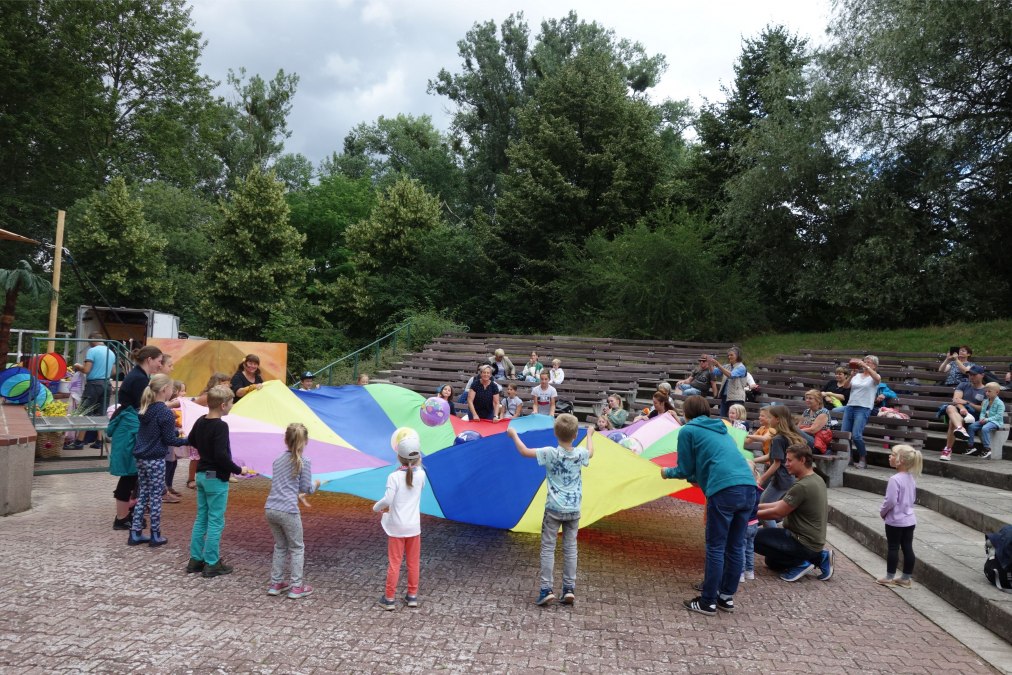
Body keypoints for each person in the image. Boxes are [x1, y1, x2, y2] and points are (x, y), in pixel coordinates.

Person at [661, 395, 756, 616]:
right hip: (748, 487)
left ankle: (708, 601)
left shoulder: (688, 431)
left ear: (686, 412)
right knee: (735, 546)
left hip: (724, 490)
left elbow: (684, 469)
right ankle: (726, 597)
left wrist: (666, 472)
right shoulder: (722, 430)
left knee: (716, 547)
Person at [506, 414, 593, 606]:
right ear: (575, 435)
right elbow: (591, 452)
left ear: (555, 433)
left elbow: (524, 451)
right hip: (573, 509)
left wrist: (513, 435)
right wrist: (590, 435)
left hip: (553, 508)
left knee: (548, 548)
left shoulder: (550, 453)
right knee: (570, 548)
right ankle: (569, 588)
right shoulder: (580, 453)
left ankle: (546, 589)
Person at [755, 443, 835, 582]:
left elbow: (777, 513)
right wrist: (754, 507)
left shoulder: (802, 486)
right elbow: (781, 504)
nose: (786, 464)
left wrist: (746, 514)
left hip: (801, 541)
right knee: (772, 562)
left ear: (802, 460)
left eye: (790, 460)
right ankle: (820, 557)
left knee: (753, 538)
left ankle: (801, 563)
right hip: (811, 541)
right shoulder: (816, 478)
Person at [187, 385, 244, 578]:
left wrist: (206, 450)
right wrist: (238, 469)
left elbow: (192, 440)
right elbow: (221, 455)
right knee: (216, 520)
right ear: (223, 405)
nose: (232, 406)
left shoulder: (200, 420)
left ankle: (195, 559)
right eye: (231, 403)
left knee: (201, 517)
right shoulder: (221, 426)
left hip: (202, 475)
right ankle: (212, 562)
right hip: (216, 477)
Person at [106, 345, 163, 530]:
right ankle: (121, 518)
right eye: (159, 361)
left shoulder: (139, 376)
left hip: (129, 427)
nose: (160, 365)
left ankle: (126, 513)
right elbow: (145, 408)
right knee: (129, 474)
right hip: (129, 430)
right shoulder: (139, 379)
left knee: (132, 474)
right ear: (149, 359)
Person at [128, 374, 188, 547]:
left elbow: (155, 432)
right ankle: (155, 534)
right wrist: (189, 440)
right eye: (171, 389)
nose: (172, 392)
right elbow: (170, 440)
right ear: (164, 390)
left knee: (143, 494)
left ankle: (135, 533)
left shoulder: (145, 409)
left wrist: (174, 433)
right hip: (155, 459)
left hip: (141, 457)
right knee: (155, 497)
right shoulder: (165, 412)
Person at [265, 423, 320, 600]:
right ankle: (296, 587)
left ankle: (276, 583)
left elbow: (284, 483)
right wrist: (316, 485)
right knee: (297, 548)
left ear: (286, 440)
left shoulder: (278, 459)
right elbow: (306, 488)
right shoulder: (305, 462)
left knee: (280, 546)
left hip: (271, 508)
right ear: (306, 441)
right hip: (288, 510)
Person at [373, 432, 426, 610]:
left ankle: (389, 598)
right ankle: (412, 596)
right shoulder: (421, 475)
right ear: (418, 457)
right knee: (413, 563)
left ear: (398, 457)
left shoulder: (393, 477)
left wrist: (376, 508)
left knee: (394, 563)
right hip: (414, 527)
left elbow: (387, 500)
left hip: (396, 528)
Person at [877, 444, 922, 588]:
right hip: (909, 519)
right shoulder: (911, 477)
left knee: (893, 547)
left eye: (892, 454)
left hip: (895, 520)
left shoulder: (895, 479)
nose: (889, 456)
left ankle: (889, 577)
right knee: (907, 547)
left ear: (900, 460)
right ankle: (906, 578)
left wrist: (883, 512)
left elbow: (890, 501)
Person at [754, 405, 804, 527]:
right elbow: (770, 456)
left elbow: (776, 463)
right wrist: (752, 460)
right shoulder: (786, 435)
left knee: (764, 508)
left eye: (770, 417)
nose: (769, 420)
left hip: (781, 479)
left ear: (777, 419)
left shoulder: (778, 439)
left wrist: (761, 479)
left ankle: (773, 534)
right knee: (770, 508)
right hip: (788, 478)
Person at [66, 332, 115, 450]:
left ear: (92, 340)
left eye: (89, 342)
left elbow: (86, 370)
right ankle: (99, 441)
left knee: (84, 411)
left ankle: (79, 442)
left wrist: (78, 366)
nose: (89, 344)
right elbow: (113, 372)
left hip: (93, 385)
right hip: (107, 384)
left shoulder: (92, 351)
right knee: (101, 413)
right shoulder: (111, 352)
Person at [186, 373, 231, 489]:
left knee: (207, 462)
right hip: (204, 430)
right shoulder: (207, 397)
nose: (227, 386)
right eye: (224, 383)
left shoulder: (213, 422)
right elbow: (192, 406)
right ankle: (192, 479)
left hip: (208, 430)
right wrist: (237, 469)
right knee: (197, 458)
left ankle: (208, 481)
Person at [939, 364, 987, 461]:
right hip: (960, 413)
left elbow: (982, 409)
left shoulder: (986, 390)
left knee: (952, 421)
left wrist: (967, 403)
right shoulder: (963, 385)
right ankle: (960, 428)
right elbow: (956, 400)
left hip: (974, 416)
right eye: (970, 374)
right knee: (950, 407)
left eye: (974, 375)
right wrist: (962, 408)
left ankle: (947, 449)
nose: (971, 377)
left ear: (982, 375)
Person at [841, 355, 881, 469]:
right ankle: (849, 457)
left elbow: (877, 379)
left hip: (863, 407)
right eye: (865, 361)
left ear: (875, 366)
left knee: (856, 435)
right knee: (845, 434)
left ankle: (863, 458)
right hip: (850, 406)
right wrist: (851, 376)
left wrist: (865, 366)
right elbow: (845, 386)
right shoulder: (857, 376)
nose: (866, 363)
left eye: (869, 362)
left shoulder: (875, 377)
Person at [966, 382, 1006, 459]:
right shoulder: (985, 401)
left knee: (985, 428)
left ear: (997, 392)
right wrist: (981, 418)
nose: (987, 393)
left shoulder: (1000, 403)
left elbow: (998, 416)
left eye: (989, 391)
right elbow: (983, 412)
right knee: (971, 427)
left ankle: (987, 449)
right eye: (986, 391)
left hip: (995, 422)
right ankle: (970, 446)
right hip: (985, 420)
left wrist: (987, 419)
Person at [162, 380, 185, 503]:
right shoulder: (167, 406)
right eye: (182, 391)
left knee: (173, 462)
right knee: (169, 462)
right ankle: (165, 489)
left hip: (173, 436)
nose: (184, 393)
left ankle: (169, 486)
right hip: (170, 439)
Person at [710, 347, 747, 418]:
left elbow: (731, 375)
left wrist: (718, 365)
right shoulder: (727, 366)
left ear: (737, 356)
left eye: (731, 355)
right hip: (725, 397)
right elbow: (714, 372)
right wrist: (710, 363)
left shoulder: (741, 367)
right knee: (723, 418)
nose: (729, 357)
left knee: (736, 419)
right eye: (728, 355)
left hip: (736, 398)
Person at [798, 390, 833, 454]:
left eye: (810, 398)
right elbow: (798, 426)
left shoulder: (823, 412)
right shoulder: (806, 411)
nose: (807, 400)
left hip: (817, 443)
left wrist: (796, 430)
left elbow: (813, 430)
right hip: (805, 439)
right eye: (806, 398)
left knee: (794, 432)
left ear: (818, 400)